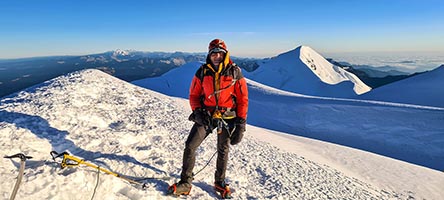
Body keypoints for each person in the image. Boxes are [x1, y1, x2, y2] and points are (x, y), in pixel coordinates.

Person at [168, 39, 248, 198]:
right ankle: (185, 182)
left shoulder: (234, 72)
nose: (216, 56)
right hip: (206, 115)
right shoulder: (203, 72)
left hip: (226, 118)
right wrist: (197, 112)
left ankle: (220, 182)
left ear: (225, 54)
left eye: (220, 53)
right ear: (209, 55)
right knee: (191, 145)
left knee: (223, 150)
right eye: (213, 53)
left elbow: (242, 98)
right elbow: (194, 95)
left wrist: (241, 123)